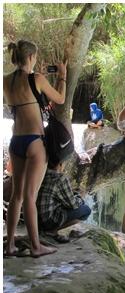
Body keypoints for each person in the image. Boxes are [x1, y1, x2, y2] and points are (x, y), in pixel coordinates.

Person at [4, 40, 67, 258]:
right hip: (34, 142)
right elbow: (60, 98)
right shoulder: (37, 78)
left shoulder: (5, 81)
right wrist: (62, 76)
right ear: (31, 57)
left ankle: (10, 245)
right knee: (31, 195)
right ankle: (36, 246)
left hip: (16, 142)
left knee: (17, 196)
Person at [37, 155, 91, 240]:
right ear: (60, 164)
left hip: (35, 220)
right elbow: (73, 205)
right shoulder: (60, 178)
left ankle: (45, 230)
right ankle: (52, 230)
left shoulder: (39, 174)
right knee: (86, 209)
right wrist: (80, 197)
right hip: (48, 221)